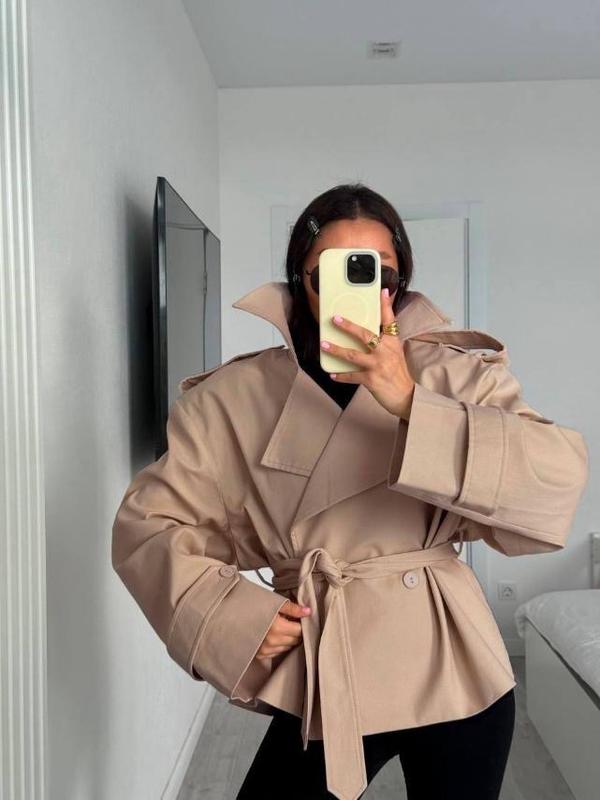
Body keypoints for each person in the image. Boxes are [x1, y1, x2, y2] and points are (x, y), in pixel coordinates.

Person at [112, 183, 588, 800]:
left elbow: (555, 478)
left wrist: (412, 402)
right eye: (331, 272)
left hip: (453, 662)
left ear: (400, 281)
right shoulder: (233, 397)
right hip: (324, 659)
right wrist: (231, 613)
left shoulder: (455, 374)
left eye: (378, 272)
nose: (361, 288)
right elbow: (149, 525)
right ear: (301, 280)